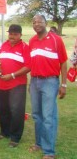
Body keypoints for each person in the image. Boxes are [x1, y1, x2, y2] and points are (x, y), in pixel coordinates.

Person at [28, 15, 67, 159]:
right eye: (34, 22)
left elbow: (63, 62)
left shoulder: (56, 40)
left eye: (40, 22)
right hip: (35, 81)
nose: (37, 24)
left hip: (50, 82)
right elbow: (32, 63)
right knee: (37, 115)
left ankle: (49, 151)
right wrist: (30, 83)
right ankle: (38, 143)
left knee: (48, 116)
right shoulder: (32, 41)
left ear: (46, 23)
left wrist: (63, 84)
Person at [0, 24, 31, 148]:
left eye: (15, 34)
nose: (12, 36)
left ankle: (15, 137)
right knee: (3, 109)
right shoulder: (3, 45)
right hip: (1, 83)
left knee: (16, 110)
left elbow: (28, 66)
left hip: (17, 83)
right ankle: (4, 132)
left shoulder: (24, 47)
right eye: (11, 33)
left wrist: (12, 75)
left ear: (20, 35)